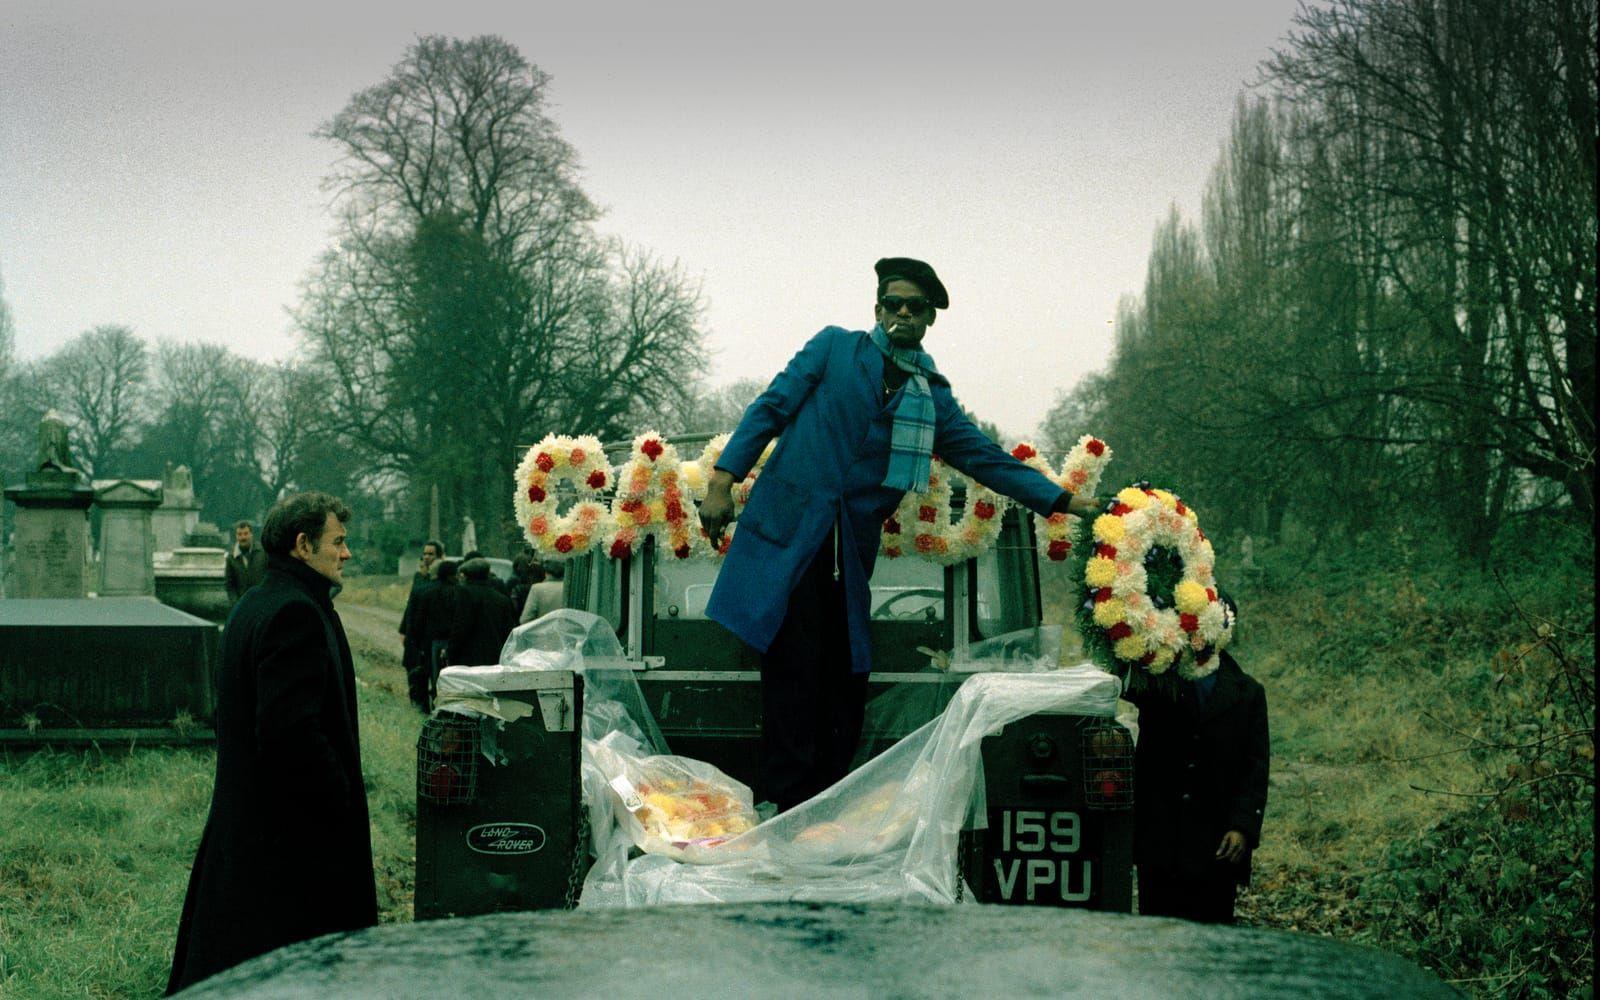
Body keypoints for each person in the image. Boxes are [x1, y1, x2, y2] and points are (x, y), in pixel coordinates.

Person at [698, 257, 1100, 812]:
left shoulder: (929, 396)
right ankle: (788, 810)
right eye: (894, 303)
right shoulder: (834, 348)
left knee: (845, 684)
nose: (903, 314)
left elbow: (986, 459)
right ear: (877, 309)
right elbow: (771, 407)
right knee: (795, 674)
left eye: (916, 307)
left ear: (929, 318)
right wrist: (723, 478)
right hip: (786, 541)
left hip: (849, 557)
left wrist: (1067, 501)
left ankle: (822, 808)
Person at [167, 491, 376, 993]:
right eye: (338, 542)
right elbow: (290, 736)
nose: (346, 553)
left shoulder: (255, 604)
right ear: (303, 545)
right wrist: (339, 800)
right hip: (291, 847)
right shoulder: (294, 614)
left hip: (250, 832)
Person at [1127, 599, 1269, 924]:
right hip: (1161, 841)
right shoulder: (1160, 679)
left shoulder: (1248, 693)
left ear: (1225, 629)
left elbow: (1255, 769)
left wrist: (1241, 827)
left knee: (1212, 934)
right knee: (1159, 933)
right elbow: (1125, 681)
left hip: (1215, 843)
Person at [399, 539, 444, 710]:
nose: (426, 557)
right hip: (416, 630)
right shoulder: (419, 576)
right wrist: (404, 629)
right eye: (424, 554)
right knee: (415, 669)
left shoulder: (442, 576)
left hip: (432, 631)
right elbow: (411, 604)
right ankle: (419, 704)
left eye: (431, 554)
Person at [448, 557, 518, 666]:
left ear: (467, 576)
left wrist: (451, 653)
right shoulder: (501, 599)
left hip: (469, 658)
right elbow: (508, 632)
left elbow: (460, 627)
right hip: (495, 657)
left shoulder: (464, 594)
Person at [412, 558, 461, 709]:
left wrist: (419, 644)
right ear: (450, 575)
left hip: (435, 643)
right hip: (456, 642)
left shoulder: (428, 593)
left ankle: (437, 710)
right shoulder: (460, 592)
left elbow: (419, 622)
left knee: (437, 678)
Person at [223, 520, 267, 609]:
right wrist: (236, 604)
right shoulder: (231, 558)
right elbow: (229, 585)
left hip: (261, 604)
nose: (243, 537)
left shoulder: (263, 553)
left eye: (246, 533)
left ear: (251, 534)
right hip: (241, 606)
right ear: (236, 536)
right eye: (239, 534)